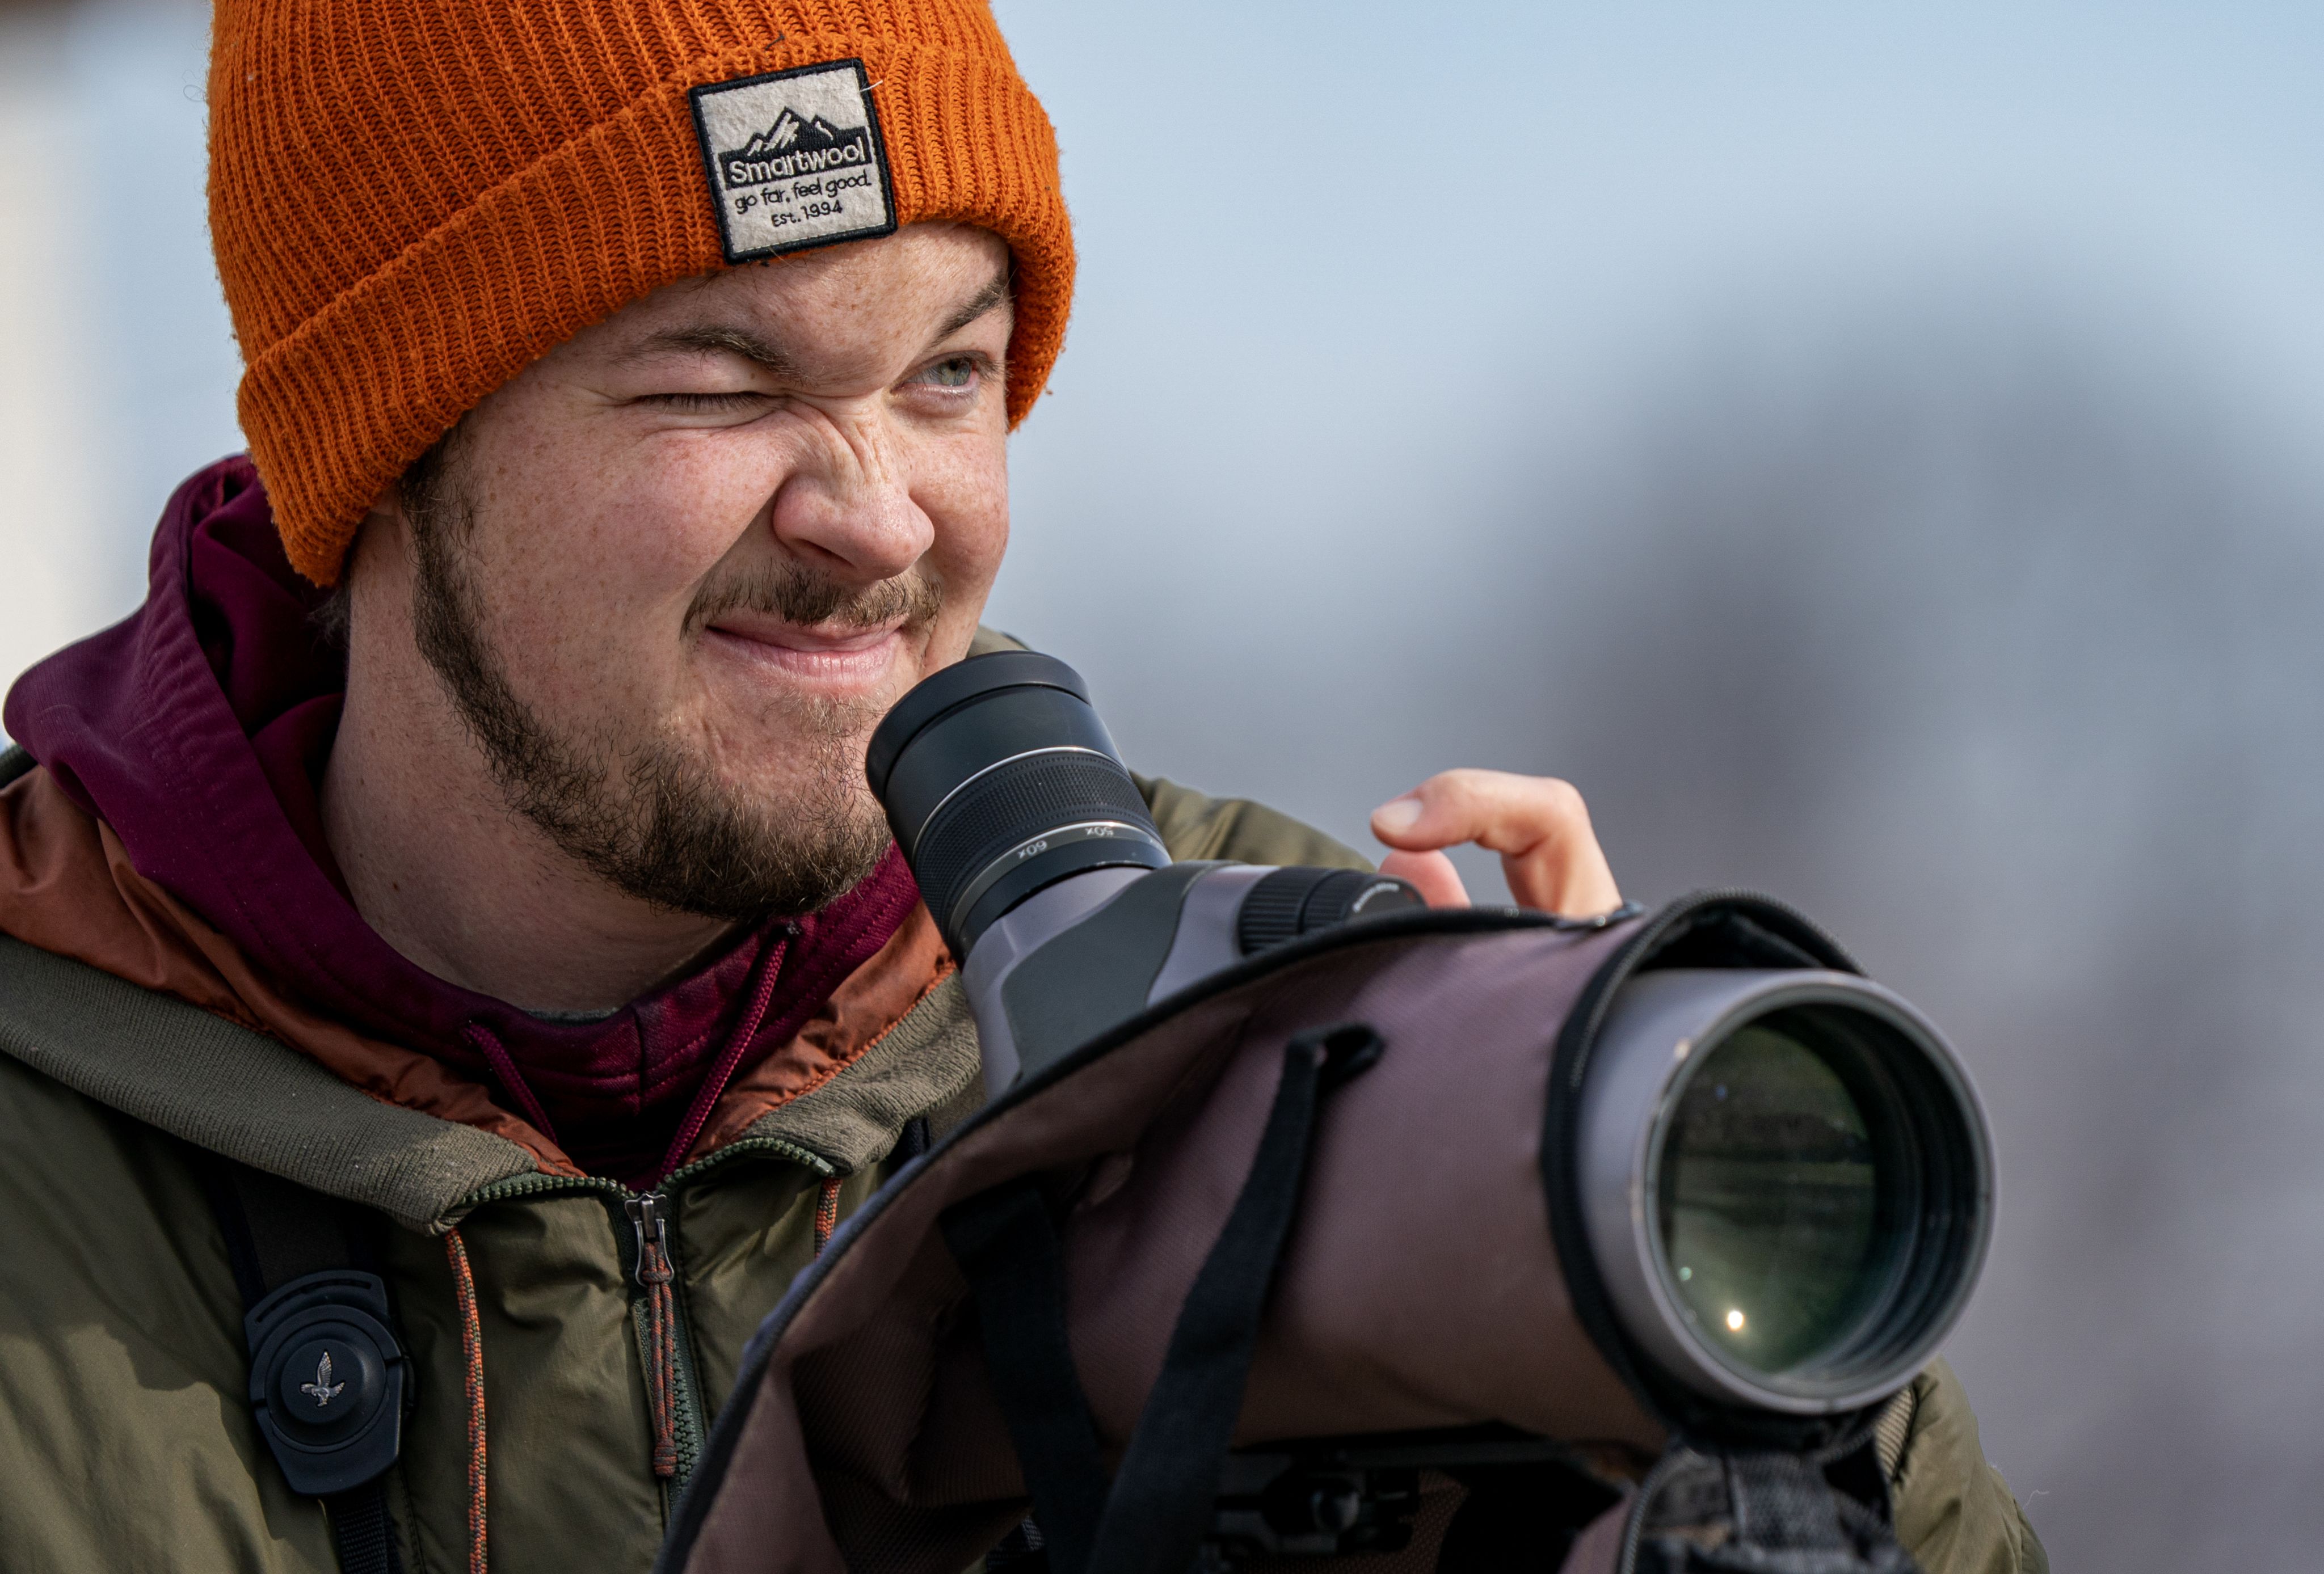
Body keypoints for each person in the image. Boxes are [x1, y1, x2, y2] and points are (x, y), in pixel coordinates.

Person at [0, 2, 2041, 1571]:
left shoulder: (1265, 1048)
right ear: (387, 458)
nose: (883, 517)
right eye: (720, 385)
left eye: (950, 374)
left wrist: (1683, 1301)